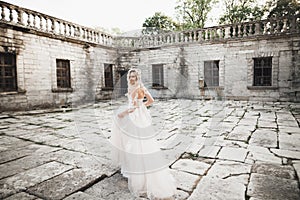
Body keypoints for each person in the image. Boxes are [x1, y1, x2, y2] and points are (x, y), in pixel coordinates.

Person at [110, 68, 177, 200]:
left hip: (135, 117)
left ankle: (138, 171)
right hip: (137, 115)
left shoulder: (138, 88)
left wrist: (128, 111)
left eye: (134, 76)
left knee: (136, 142)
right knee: (131, 140)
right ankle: (130, 164)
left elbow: (144, 103)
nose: (132, 78)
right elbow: (148, 102)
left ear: (137, 77)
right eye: (130, 76)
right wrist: (142, 106)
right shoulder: (135, 87)